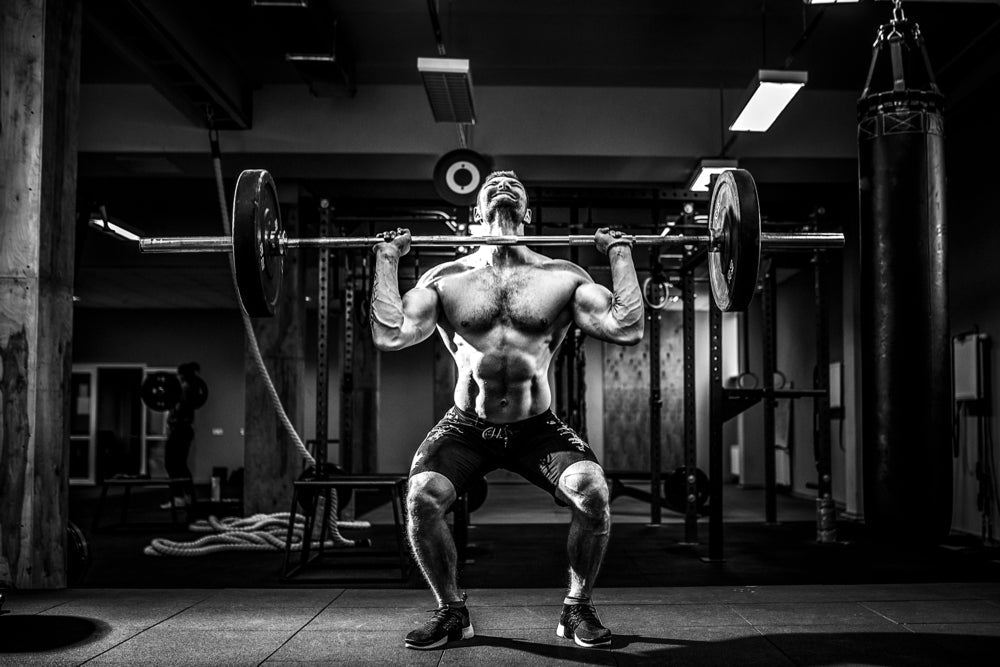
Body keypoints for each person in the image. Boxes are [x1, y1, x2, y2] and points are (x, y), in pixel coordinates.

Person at [371, 171, 644, 650]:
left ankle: (577, 608)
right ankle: (451, 611)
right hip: (466, 426)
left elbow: (626, 327)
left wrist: (620, 255)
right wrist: (387, 259)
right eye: (492, 183)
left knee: (593, 493)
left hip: (536, 428)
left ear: (528, 212)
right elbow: (390, 334)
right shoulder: (446, 279)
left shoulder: (562, 276)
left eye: (514, 184)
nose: (503, 183)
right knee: (421, 498)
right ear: (477, 212)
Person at [162, 362, 201, 508]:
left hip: (179, 430)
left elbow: (177, 410)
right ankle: (187, 497)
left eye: (178, 374)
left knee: (172, 464)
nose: (177, 377)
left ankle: (179, 497)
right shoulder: (191, 389)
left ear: (182, 375)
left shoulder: (184, 389)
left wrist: (171, 422)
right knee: (180, 465)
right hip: (183, 431)